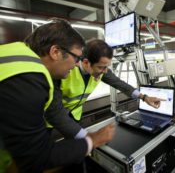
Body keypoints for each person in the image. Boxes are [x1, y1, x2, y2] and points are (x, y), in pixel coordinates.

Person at [0, 20, 115, 173]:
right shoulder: (29, 81)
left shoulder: (13, 52)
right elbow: (35, 158)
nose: (76, 65)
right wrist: (92, 140)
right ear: (55, 52)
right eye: (76, 58)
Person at [44, 38, 165, 139]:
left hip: (75, 114)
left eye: (107, 67)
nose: (105, 72)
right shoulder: (64, 71)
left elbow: (120, 84)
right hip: (50, 116)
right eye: (101, 67)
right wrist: (90, 138)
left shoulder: (101, 70)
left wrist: (144, 97)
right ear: (86, 62)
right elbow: (55, 113)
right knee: (43, 149)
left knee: (79, 147)